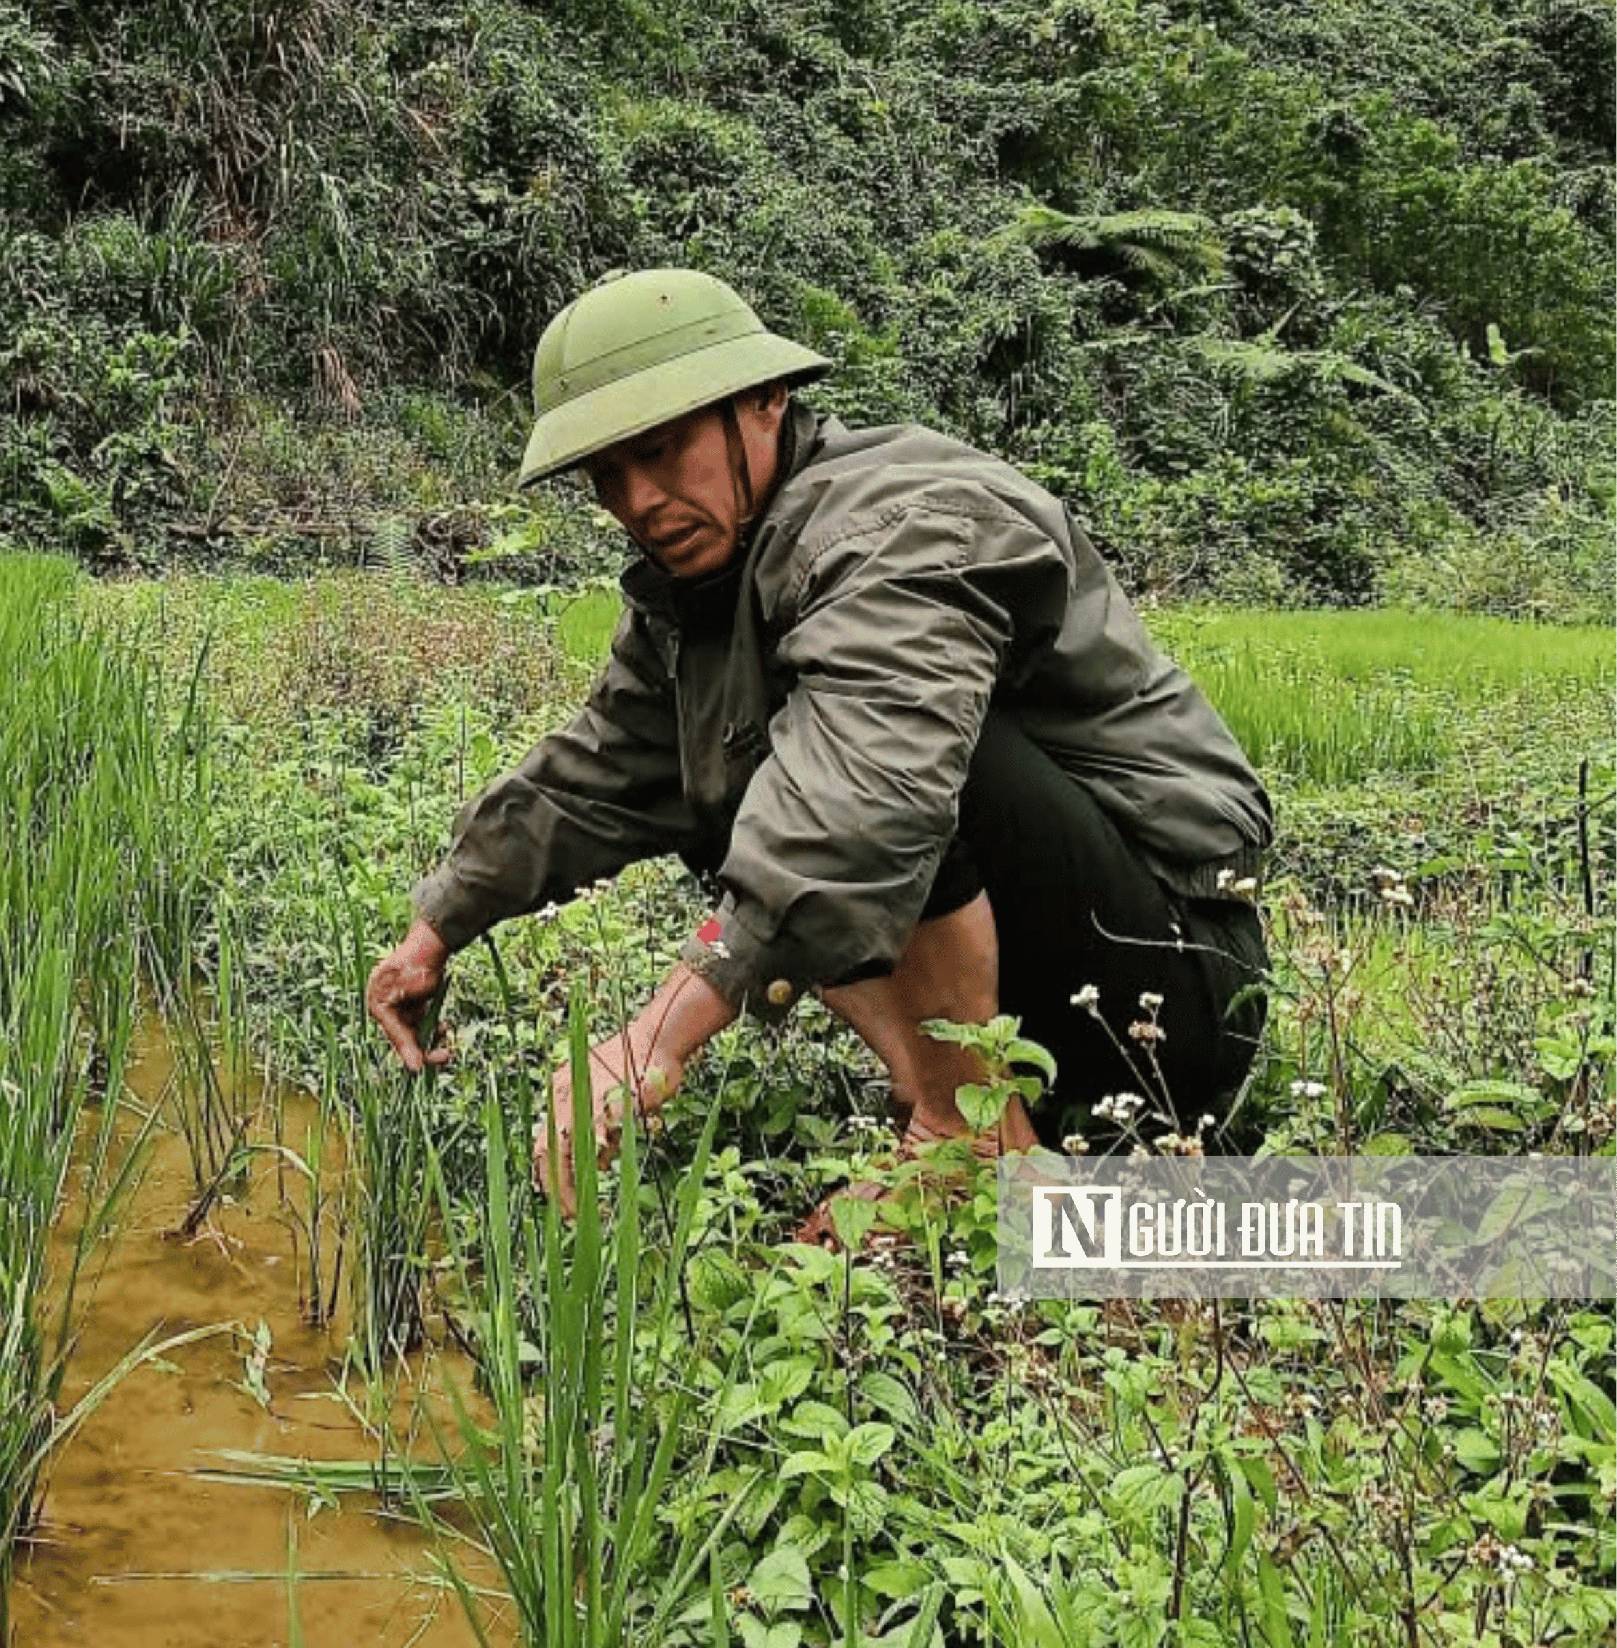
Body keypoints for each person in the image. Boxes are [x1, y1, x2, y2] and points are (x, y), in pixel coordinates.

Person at [362, 267, 1274, 1241]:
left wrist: (652, 1042)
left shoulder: (890, 520)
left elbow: (865, 797)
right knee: (723, 778)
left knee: (864, 774)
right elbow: (598, 774)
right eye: (607, 475)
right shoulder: (702, 586)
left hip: (1168, 972)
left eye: (661, 451)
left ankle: (965, 1141)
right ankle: (964, 1101)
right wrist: (436, 925)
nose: (638, 499)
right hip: (1056, 980)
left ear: (765, 401)